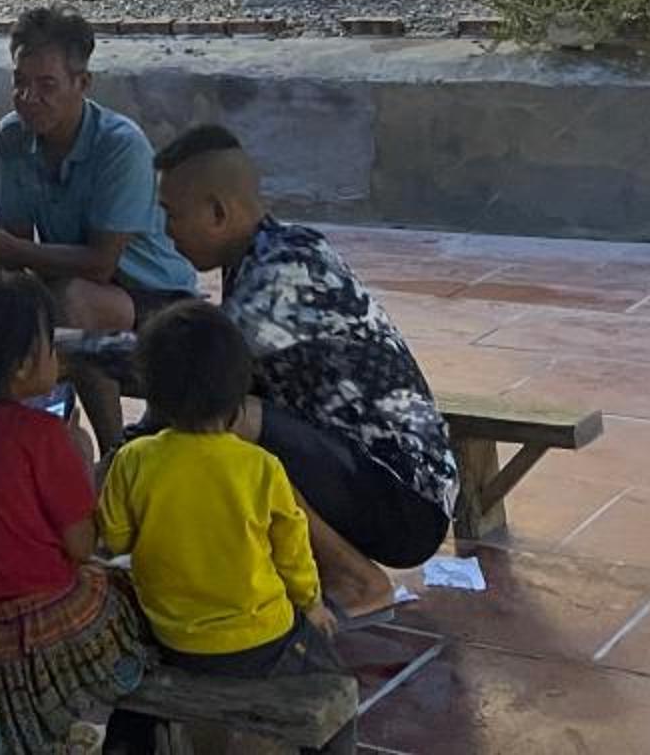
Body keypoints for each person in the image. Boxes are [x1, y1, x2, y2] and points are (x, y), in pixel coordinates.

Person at [154, 125, 456, 618]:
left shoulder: (286, 269)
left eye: (171, 215)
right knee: (214, 415)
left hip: (406, 503)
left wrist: (66, 348)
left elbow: (189, 366)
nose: (166, 231)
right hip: (362, 472)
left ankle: (355, 580)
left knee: (230, 416)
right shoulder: (258, 257)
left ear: (218, 213)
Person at [0, 268, 148, 755]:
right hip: (42, 626)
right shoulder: (43, 436)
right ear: (19, 366)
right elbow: (81, 547)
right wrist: (82, 458)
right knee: (129, 587)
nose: (57, 357)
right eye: (50, 346)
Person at [97, 301, 333, 686]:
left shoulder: (133, 459)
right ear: (239, 392)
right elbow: (293, 552)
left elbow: (115, 539)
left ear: (152, 392)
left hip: (172, 637)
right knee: (326, 665)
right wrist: (313, 603)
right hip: (262, 638)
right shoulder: (261, 466)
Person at [0, 8, 196, 336]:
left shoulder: (120, 146)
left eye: (47, 85)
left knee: (71, 302)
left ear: (82, 83)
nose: (28, 98)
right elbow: (14, 243)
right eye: (19, 81)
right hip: (71, 282)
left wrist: (2, 246)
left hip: (156, 295)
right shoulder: (12, 134)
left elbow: (101, 264)